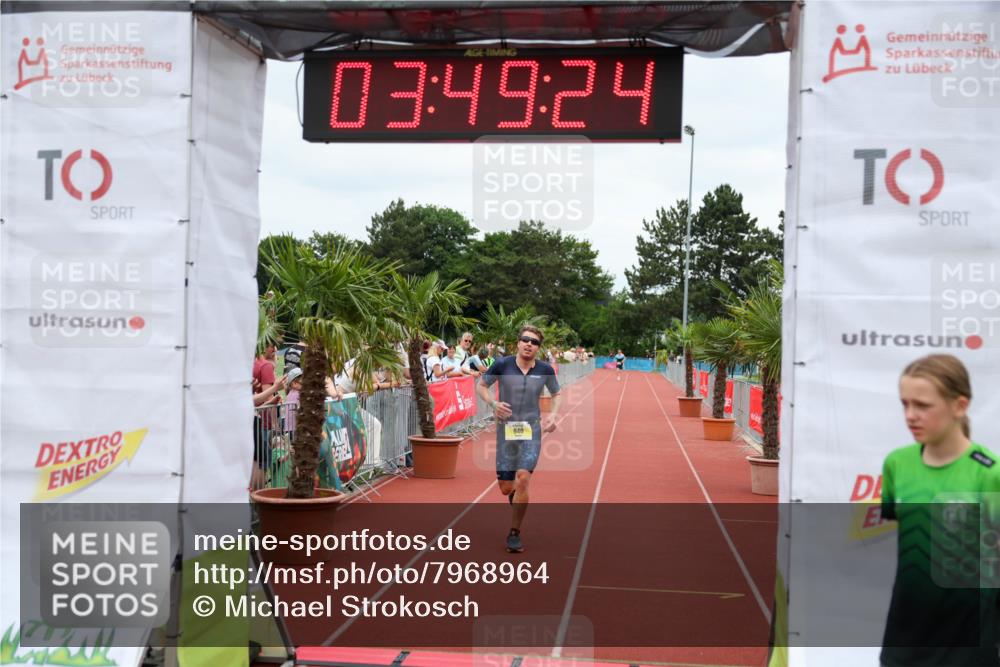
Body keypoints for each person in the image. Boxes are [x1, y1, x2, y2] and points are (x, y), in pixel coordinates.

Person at [880, 354, 1000, 667]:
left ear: (960, 406)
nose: (910, 415)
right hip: (904, 639)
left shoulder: (989, 474)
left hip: (968, 643)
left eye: (922, 405)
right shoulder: (897, 464)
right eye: (905, 404)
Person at [477, 325, 561, 554]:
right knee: (506, 488)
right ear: (518, 342)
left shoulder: (545, 369)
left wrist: (553, 415)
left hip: (531, 430)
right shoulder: (503, 364)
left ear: (538, 348)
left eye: (534, 342)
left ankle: (514, 532)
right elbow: (481, 385)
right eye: (525, 339)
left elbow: (556, 394)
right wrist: (493, 404)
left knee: (523, 477)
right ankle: (516, 495)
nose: (529, 344)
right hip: (506, 430)